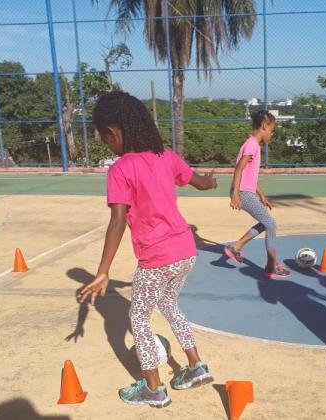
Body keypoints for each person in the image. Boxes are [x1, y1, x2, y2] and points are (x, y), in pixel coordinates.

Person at [78, 91, 218, 408]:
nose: (106, 144)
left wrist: (103, 272)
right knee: (169, 306)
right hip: (185, 250)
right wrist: (210, 182)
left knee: (138, 319)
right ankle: (196, 367)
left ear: (113, 132)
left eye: (104, 139)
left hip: (157, 258)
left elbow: (117, 222)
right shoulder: (165, 156)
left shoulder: (121, 169)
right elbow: (196, 181)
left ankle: (153, 389)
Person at [223, 110, 290, 279]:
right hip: (243, 193)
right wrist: (235, 195)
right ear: (264, 126)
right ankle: (270, 266)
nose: (272, 134)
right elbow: (238, 168)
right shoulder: (252, 145)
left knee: (265, 223)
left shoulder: (253, 145)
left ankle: (237, 247)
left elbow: (249, 175)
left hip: (247, 191)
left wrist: (261, 194)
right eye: (272, 130)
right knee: (271, 225)